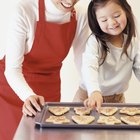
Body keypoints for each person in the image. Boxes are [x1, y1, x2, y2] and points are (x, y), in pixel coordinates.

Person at [0, 0, 90, 139]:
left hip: (49, 88)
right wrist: (27, 96)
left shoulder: (81, 14)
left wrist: (92, 89)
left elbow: (83, 60)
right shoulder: (25, 9)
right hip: (12, 88)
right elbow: (12, 69)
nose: (70, 1)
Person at [73, 0, 140, 110]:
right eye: (104, 20)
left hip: (117, 100)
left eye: (117, 15)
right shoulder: (95, 42)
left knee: (117, 126)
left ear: (126, 12)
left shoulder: (134, 43)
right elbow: (89, 66)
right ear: (97, 22)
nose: (112, 22)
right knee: (81, 125)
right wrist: (94, 91)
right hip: (88, 97)